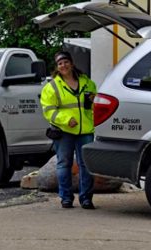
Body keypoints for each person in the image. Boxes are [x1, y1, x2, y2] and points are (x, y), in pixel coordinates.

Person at [40, 51, 97, 209]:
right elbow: (48, 111)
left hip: (85, 130)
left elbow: (94, 104)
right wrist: (66, 120)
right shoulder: (51, 87)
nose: (63, 65)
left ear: (71, 63)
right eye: (60, 63)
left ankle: (86, 198)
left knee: (86, 165)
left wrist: (93, 107)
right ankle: (66, 198)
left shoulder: (87, 82)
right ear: (57, 67)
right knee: (64, 164)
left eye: (65, 62)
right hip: (64, 131)